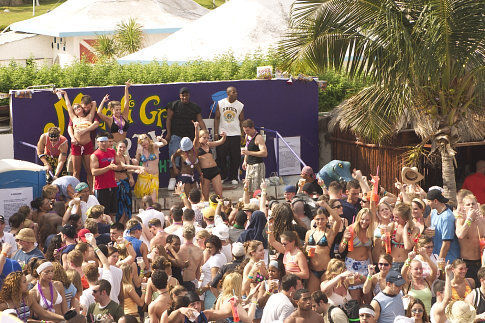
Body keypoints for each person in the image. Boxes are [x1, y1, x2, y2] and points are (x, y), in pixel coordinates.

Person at [166, 87, 207, 191]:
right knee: (174, 156)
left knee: (193, 160)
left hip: (190, 139)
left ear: (189, 95)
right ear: (180, 96)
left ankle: (193, 179)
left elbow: (200, 121)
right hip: (176, 135)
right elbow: (168, 119)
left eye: (186, 95)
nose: (184, 97)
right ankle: (172, 179)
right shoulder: (174, 105)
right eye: (182, 95)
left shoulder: (194, 107)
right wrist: (169, 133)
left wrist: (205, 132)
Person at [61, 90, 99, 190]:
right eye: (75, 108)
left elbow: (94, 103)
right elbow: (68, 106)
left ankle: (91, 191)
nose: (77, 109)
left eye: (79, 107)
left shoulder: (89, 117)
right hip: (76, 146)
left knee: (89, 171)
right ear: (74, 112)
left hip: (87, 145)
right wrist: (65, 95)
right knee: (76, 172)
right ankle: (76, 192)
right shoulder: (74, 118)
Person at [305, 204, 342, 292]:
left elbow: (338, 220)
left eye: (322, 219)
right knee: (313, 296)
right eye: (318, 219)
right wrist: (306, 250)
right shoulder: (309, 233)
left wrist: (326, 206)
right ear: (314, 219)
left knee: (326, 296)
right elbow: (305, 248)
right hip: (313, 270)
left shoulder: (330, 233)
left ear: (327, 219)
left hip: (325, 270)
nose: (320, 221)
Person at [0, 271, 65, 321]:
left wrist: (64, 318)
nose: (28, 284)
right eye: (24, 282)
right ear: (16, 285)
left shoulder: (28, 297)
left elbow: (44, 313)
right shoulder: (3, 302)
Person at [339, 207, 373, 302]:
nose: (364, 222)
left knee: (368, 296)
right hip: (352, 265)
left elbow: (369, 250)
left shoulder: (370, 231)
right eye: (362, 219)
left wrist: (371, 264)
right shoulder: (350, 229)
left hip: (366, 265)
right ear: (358, 218)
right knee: (355, 298)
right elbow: (341, 250)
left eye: (367, 220)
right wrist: (345, 239)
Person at [213, 86, 244, 185]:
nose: (236, 93)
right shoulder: (221, 103)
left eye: (236, 92)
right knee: (221, 157)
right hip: (223, 134)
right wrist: (216, 133)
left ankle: (233, 177)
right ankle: (222, 176)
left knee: (235, 157)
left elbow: (241, 120)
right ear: (228, 93)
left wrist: (243, 134)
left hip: (235, 134)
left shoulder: (240, 105)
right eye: (233, 92)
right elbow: (217, 118)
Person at [91, 133, 123, 220]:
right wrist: (108, 167)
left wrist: (116, 167)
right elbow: (94, 172)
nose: (104, 143)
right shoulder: (95, 155)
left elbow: (119, 165)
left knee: (113, 212)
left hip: (112, 185)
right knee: (103, 213)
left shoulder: (112, 151)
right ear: (98, 143)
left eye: (105, 141)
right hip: (101, 187)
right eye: (101, 142)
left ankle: (113, 229)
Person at [455, 193, 484, 286]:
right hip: (467, 263)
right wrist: (469, 218)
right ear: (464, 207)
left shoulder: (482, 220)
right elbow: (460, 235)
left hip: (481, 262)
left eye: (473, 204)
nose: (471, 206)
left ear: (477, 205)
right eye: (468, 204)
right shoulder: (461, 220)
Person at [428, 189, 461, 263]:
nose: (428, 203)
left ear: (435, 201)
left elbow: (446, 243)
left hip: (448, 259)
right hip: (436, 255)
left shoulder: (447, 217)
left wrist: (439, 262)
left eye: (429, 201)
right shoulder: (433, 212)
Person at [401, 249, 438, 314]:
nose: (419, 271)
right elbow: (403, 273)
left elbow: (434, 270)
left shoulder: (427, 281)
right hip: (413, 317)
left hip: (427, 317)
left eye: (421, 268)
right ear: (410, 270)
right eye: (416, 269)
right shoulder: (408, 283)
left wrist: (426, 256)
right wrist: (409, 259)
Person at [386, 203, 420, 272]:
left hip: (406, 264)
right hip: (392, 263)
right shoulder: (392, 226)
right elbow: (385, 247)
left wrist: (405, 229)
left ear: (405, 218)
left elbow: (407, 247)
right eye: (394, 217)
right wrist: (384, 240)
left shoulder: (415, 229)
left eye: (397, 217)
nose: (394, 219)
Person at [133, 134, 167, 201]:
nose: (145, 146)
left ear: (149, 141)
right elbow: (137, 161)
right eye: (143, 145)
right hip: (144, 176)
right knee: (145, 199)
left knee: (153, 199)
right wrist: (134, 161)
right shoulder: (139, 149)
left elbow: (165, 143)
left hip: (154, 176)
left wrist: (161, 139)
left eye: (146, 144)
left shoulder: (155, 145)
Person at [196, 127, 226, 200]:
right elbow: (196, 138)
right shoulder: (196, 146)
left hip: (214, 170)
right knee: (205, 197)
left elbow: (220, 142)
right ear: (199, 138)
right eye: (204, 138)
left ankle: (220, 209)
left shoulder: (208, 144)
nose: (206, 139)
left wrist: (224, 136)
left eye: (207, 138)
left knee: (219, 195)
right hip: (204, 172)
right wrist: (196, 128)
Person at [170, 122, 200, 195]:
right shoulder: (181, 151)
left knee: (195, 197)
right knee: (187, 196)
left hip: (193, 176)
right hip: (184, 176)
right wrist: (174, 167)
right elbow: (172, 157)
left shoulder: (195, 149)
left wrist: (196, 127)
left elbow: (197, 137)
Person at [198, 234, 227, 309]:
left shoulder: (215, 260)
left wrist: (201, 290)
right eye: (206, 247)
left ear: (216, 247)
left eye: (210, 247)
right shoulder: (221, 255)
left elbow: (213, 282)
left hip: (211, 293)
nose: (208, 249)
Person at [241, 119, 268, 195]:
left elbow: (264, 153)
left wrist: (249, 153)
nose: (246, 132)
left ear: (253, 128)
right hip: (249, 166)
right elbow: (246, 148)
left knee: (257, 190)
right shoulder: (247, 136)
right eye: (244, 131)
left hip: (257, 166)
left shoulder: (258, 138)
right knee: (248, 188)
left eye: (248, 130)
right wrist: (245, 161)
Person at [178, 224, 203, 291]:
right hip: (192, 281)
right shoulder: (200, 251)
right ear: (194, 235)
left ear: (183, 235)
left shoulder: (178, 250)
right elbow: (199, 272)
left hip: (179, 281)